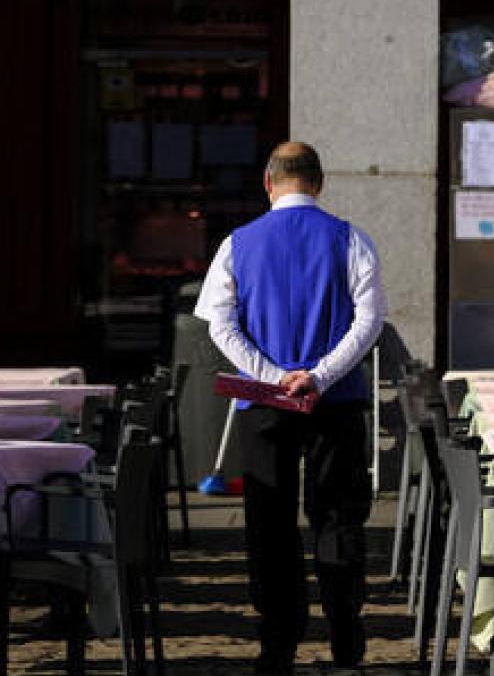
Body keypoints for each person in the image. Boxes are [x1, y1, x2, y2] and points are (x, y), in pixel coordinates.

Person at [194, 141, 387, 674]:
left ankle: (278, 643)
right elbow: (369, 321)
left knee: (270, 521)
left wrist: (272, 375)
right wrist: (319, 375)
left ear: (267, 182)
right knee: (338, 517)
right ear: (319, 183)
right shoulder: (350, 238)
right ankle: (345, 635)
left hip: (264, 403)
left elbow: (220, 326)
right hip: (336, 400)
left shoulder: (237, 243)